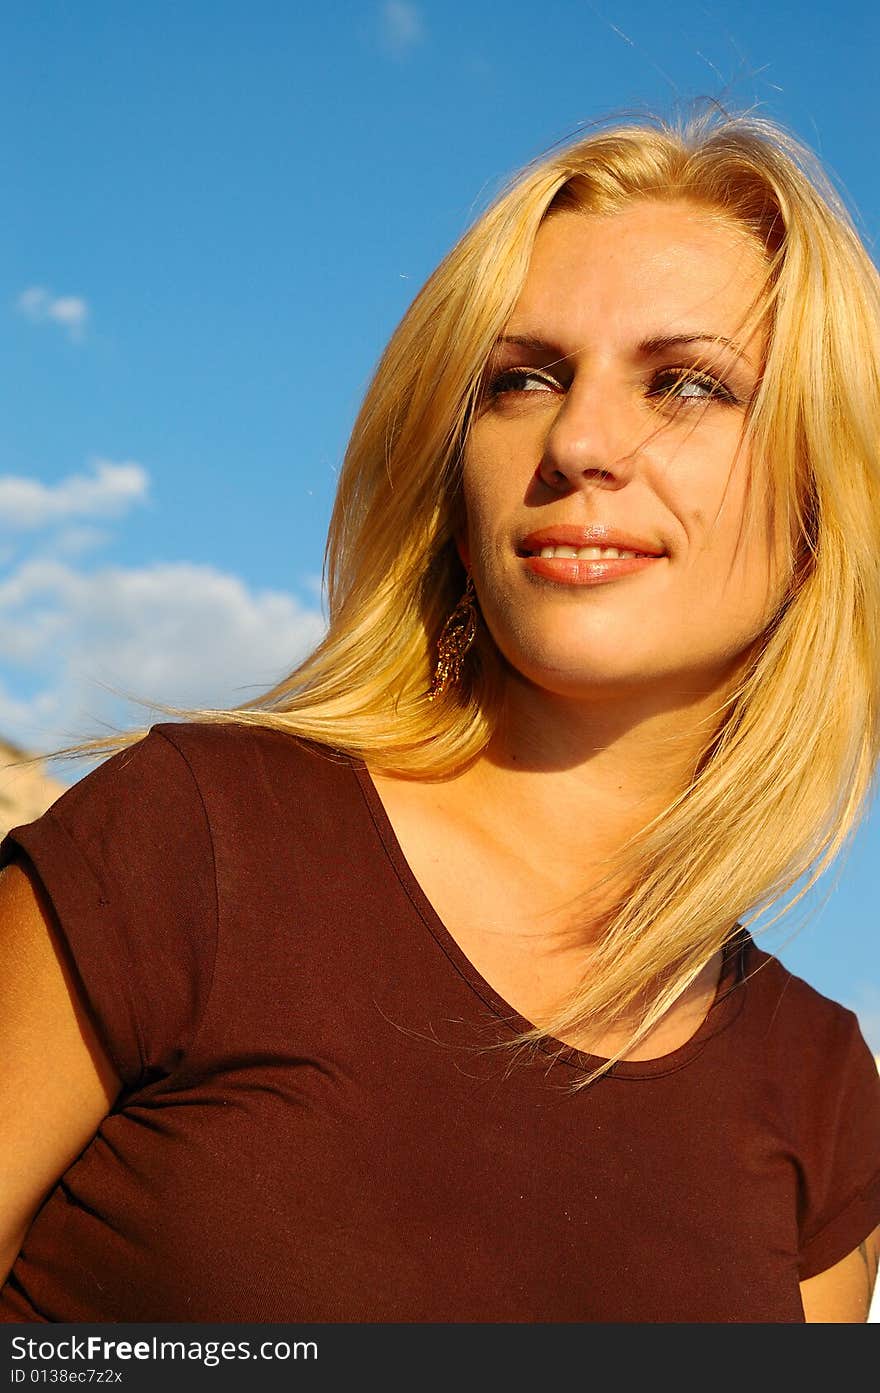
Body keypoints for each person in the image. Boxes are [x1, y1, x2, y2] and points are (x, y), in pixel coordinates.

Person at [1, 107, 879, 1325]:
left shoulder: (822, 1089)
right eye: (523, 378)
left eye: (686, 384)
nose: (576, 441)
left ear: (818, 508)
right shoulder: (188, 844)